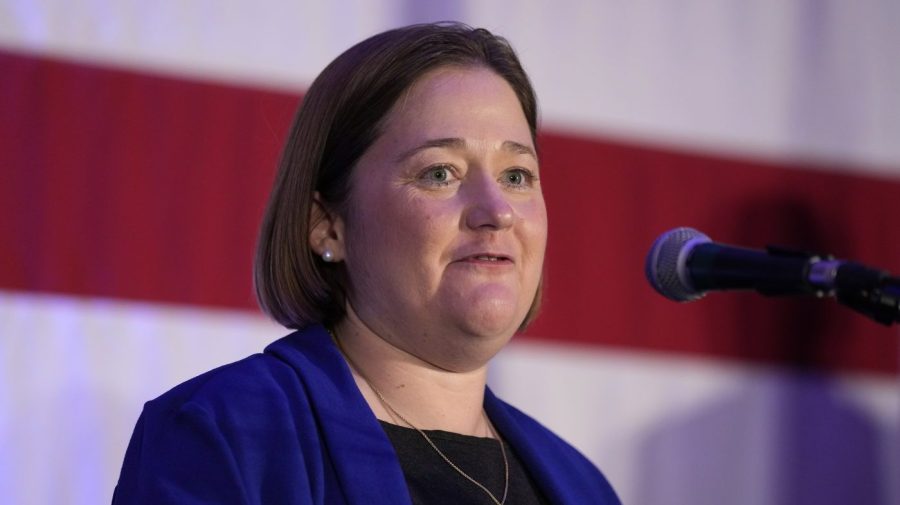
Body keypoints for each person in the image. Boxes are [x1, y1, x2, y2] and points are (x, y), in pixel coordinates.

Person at [112, 22, 621, 505]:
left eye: (516, 175)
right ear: (328, 225)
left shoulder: (581, 485)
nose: (497, 211)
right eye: (439, 172)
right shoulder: (224, 432)